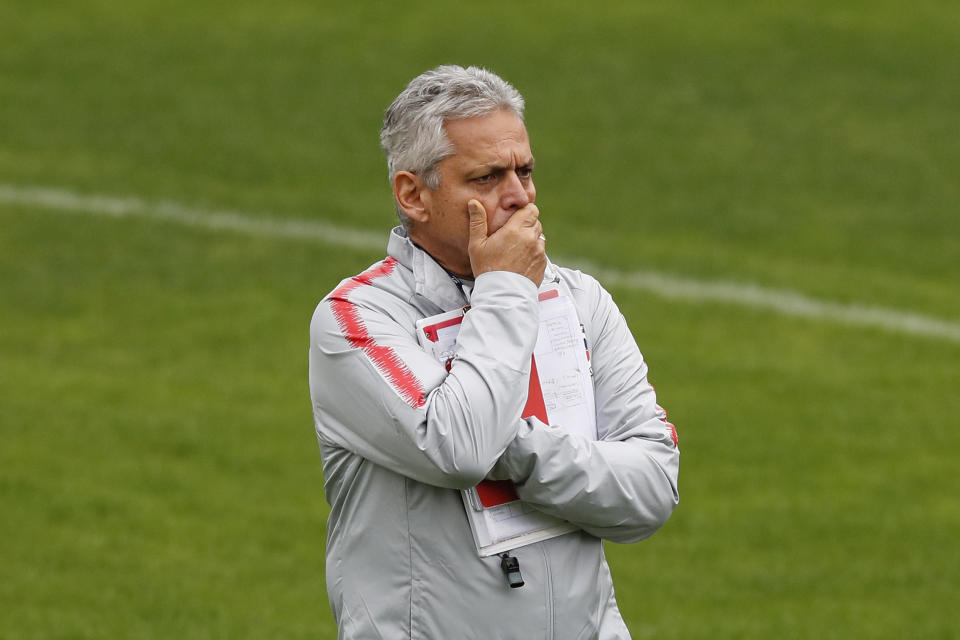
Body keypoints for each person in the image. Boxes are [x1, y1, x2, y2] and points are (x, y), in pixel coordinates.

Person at [309, 65, 680, 639]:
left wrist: (519, 447)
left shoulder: (581, 301)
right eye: (486, 177)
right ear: (413, 195)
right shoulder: (355, 320)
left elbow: (653, 488)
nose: (518, 196)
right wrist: (506, 288)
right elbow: (458, 449)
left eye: (524, 171)